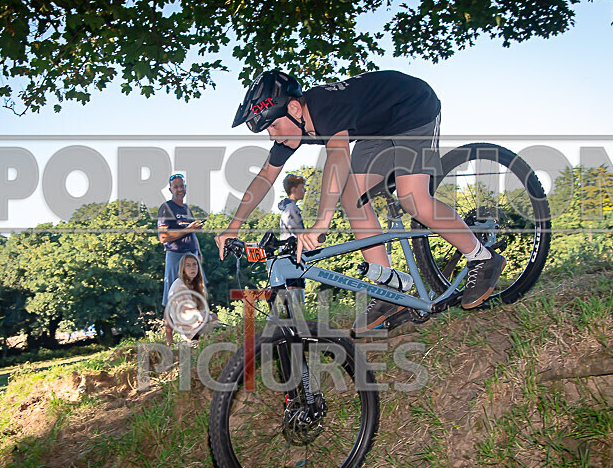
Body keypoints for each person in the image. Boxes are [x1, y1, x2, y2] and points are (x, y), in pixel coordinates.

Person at [216, 70, 506, 333]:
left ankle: (482, 257)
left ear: (294, 108)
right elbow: (266, 175)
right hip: (377, 129)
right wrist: (233, 226)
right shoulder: (295, 126)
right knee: (353, 197)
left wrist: (321, 223)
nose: (272, 136)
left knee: (412, 196)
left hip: (413, 108)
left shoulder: (324, 108)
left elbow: (338, 157)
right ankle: (388, 289)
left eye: (274, 127)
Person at [158, 173, 204, 344]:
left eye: (181, 186)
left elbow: (192, 233)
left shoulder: (186, 209)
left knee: (197, 292)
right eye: (175, 186)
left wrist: (198, 251)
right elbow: (163, 237)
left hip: (191, 255)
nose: (179, 189)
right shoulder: (166, 208)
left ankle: (198, 333)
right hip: (176, 256)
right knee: (172, 297)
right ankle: (169, 339)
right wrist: (188, 230)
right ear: (170, 189)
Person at [165, 253, 218, 342]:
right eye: (188, 265)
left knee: (229, 330)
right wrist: (210, 317)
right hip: (192, 332)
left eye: (194, 264)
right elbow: (192, 316)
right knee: (229, 332)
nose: (192, 268)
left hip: (197, 328)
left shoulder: (193, 285)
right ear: (183, 268)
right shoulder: (180, 287)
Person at [278, 173, 307, 305]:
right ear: (293, 189)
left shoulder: (287, 208)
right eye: (302, 187)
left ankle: (294, 314)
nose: (304, 190)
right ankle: (296, 316)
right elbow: (298, 233)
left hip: (289, 253)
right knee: (296, 286)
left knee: (295, 284)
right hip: (292, 253)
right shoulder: (291, 209)